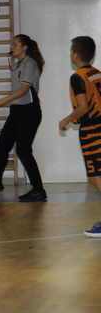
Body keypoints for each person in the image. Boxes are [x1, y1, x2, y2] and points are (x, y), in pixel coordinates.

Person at [0, 34, 47, 201]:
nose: (11, 47)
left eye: (15, 44)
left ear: (24, 47)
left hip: (29, 111)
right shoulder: (17, 64)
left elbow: (24, 90)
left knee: (23, 150)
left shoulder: (30, 63)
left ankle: (38, 190)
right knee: (2, 145)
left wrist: (0, 101)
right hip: (17, 110)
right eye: (11, 44)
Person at [58, 36, 101, 237]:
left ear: (75, 55)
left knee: (95, 176)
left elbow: (83, 107)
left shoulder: (78, 77)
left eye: (71, 51)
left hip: (93, 131)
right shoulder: (96, 73)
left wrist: (66, 119)